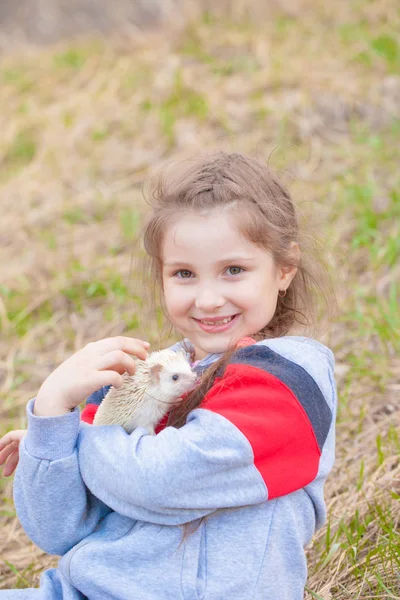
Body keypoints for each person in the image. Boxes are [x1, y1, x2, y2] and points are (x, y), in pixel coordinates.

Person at [0, 152, 337, 599]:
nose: (209, 298)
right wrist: (51, 415)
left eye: (233, 270)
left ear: (284, 268)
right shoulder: (137, 378)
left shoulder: (288, 377)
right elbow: (57, 529)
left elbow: (160, 480)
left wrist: (75, 444)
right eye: (184, 274)